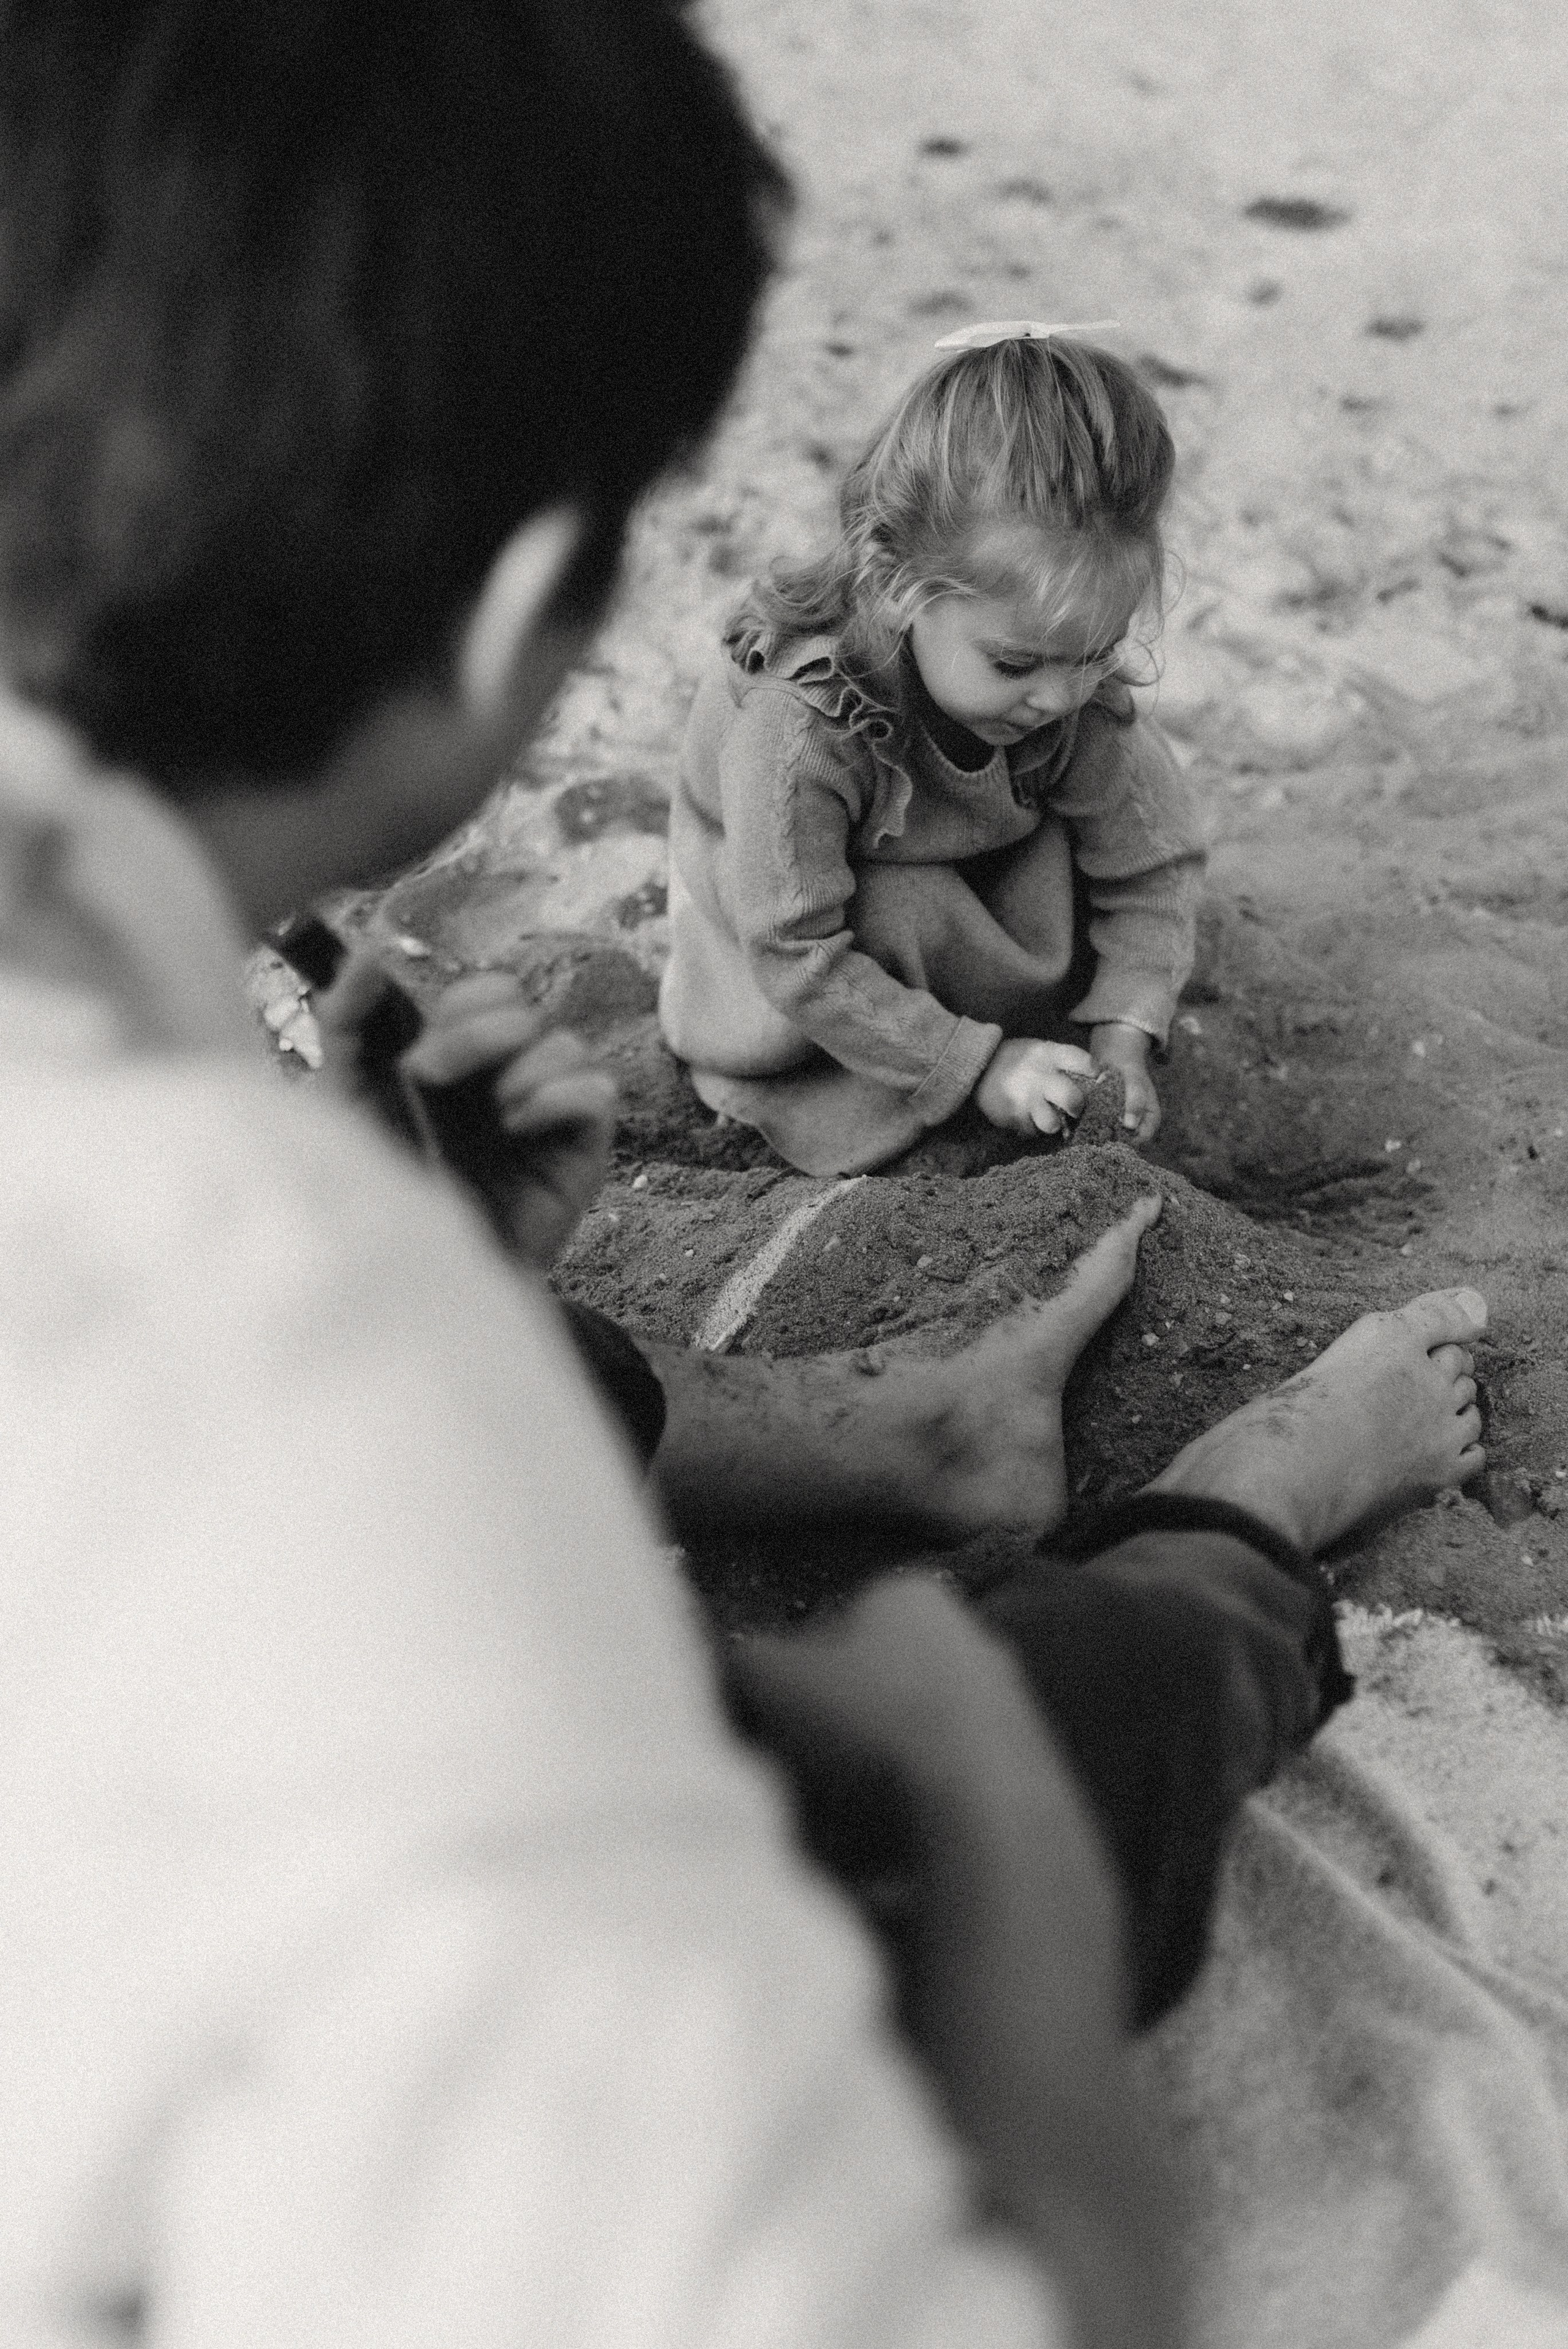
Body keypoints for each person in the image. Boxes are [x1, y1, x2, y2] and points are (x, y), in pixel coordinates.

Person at [0, 6, 1488, 2348]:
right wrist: (991, 1781)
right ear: (526, 619)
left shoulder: (188, 1079)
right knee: (1065, 1701)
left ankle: (899, 1423)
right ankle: (1244, 1525)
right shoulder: (306, 1369)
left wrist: (448, 1270)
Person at [657, 323, 1207, 1176]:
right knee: (898, 910)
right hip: (792, 934)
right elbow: (794, 949)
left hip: (973, 865)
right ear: (896, 585)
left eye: (1096, 652)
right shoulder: (801, 726)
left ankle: (1022, 1038)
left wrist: (1125, 1030)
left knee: (1086, 833)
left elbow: (1151, 862)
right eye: (1016, 662)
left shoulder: (1065, 685)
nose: (1062, 696)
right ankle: (943, 1079)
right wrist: (974, 1066)